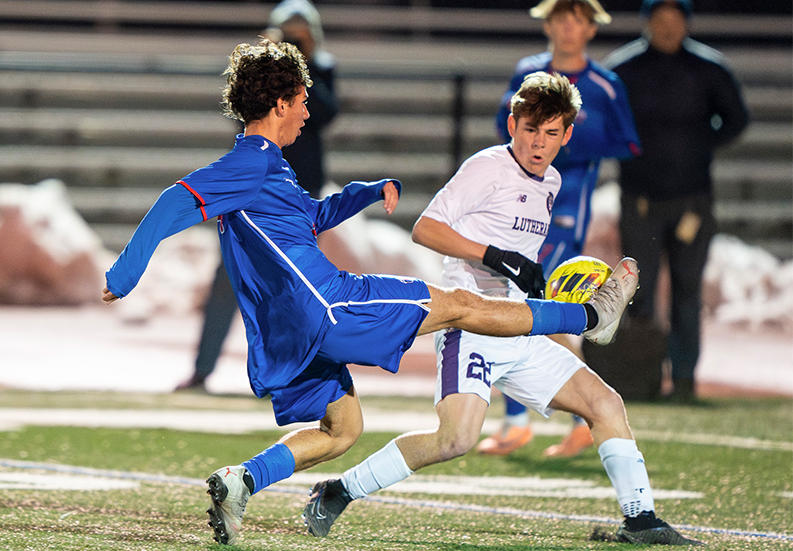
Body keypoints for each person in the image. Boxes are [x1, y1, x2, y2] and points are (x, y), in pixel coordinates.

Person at [102, 41, 636, 546]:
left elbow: (311, 218)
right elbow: (177, 200)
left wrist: (361, 193)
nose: (309, 114)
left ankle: (240, 481)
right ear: (280, 103)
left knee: (342, 429)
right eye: (304, 103)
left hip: (294, 328)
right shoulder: (250, 162)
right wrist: (124, 275)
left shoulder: (268, 167)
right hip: (330, 304)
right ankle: (587, 316)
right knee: (459, 306)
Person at [302, 72, 701, 546]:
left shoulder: (550, 181)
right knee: (455, 440)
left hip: (517, 323)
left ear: (567, 135)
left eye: (551, 133)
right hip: (470, 326)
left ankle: (640, 521)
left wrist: (531, 271)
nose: (539, 143)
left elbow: (514, 247)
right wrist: (496, 256)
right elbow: (426, 228)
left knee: (606, 405)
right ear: (512, 123)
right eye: (530, 129)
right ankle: (338, 491)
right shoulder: (488, 167)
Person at [481, 0, 641, 458]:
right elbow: (502, 126)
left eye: (578, 19)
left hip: (567, 212)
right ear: (548, 24)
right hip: (521, 207)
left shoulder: (605, 85)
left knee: (533, 311)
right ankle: (554, 419)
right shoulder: (527, 73)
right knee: (529, 312)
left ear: (591, 29)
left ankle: (551, 419)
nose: (568, 28)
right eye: (561, 18)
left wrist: (569, 140)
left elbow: (629, 142)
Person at [176, 0, 339, 392]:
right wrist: (271, 64)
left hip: (297, 188)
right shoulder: (260, 69)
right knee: (228, 276)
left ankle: (293, 374)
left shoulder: (323, 69)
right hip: (253, 184)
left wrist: (303, 68)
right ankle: (203, 369)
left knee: (293, 281)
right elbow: (239, 111)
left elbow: (324, 113)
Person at [605, 0, 748, 403]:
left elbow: (737, 117)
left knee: (688, 289)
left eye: (676, 19)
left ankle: (684, 380)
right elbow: (603, 120)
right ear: (647, 22)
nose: (668, 27)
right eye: (660, 19)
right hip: (640, 200)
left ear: (686, 23)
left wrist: (699, 147)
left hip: (692, 201)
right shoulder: (623, 69)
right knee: (639, 291)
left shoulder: (709, 69)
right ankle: (641, 377)